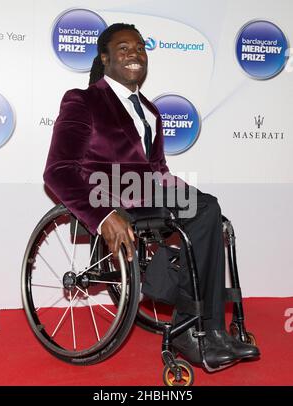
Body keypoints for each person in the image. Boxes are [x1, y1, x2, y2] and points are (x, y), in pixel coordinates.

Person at [44, 23, 260, 367]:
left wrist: (188, 194)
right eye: (124, 48)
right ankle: (191, 332)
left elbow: (157, 170)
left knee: (208, 211)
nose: (135, 54)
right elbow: (58, 170)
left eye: (140, 48)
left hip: (146, 193)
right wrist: (102, 216)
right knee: (203, 211)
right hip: (106, 193)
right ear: (105, 57)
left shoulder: (150, 110)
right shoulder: (83, 100)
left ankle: (213, 330)